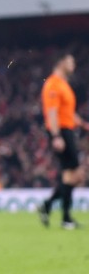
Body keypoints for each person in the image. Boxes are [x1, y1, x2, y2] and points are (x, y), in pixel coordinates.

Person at [38, 53, 86, 230]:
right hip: (61, 131)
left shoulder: (64, 84)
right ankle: (64, 218)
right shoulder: (53, 84)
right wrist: (56, 136)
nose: (73, 64)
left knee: (73, 176)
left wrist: (81, 122)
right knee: (74, 175)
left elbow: (67, 111)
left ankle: (49, 207)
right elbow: (51, 112)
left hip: (68, 129)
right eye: (70, 61)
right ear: (60, 62)